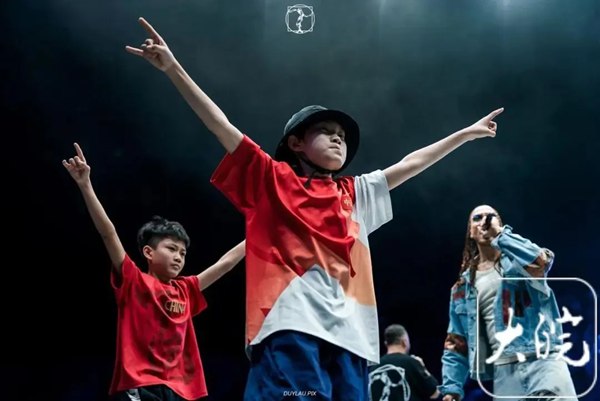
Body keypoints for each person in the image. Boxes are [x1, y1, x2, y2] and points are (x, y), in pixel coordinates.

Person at [125, 17, 503, 401]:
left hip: (352, 338)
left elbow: (410, 163)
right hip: (289, 327)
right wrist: (173, 68)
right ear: (296, 143)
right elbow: (219, 125)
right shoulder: (272, 181)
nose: (338, 141)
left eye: (342, 137)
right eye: (327, 133)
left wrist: (465, 134)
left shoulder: (355, 193)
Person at [62, 142, 245, 401]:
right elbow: (108, 233)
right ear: (148, 252)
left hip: (179, 391)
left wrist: (259, 229)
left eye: (183, 253)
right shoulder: (134, 281)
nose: (179, 257)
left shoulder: (185, 289)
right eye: (171, 249)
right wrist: (85, 185)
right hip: (141, 384)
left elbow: (225, 263)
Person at [439, 205, 579, 401]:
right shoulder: (462, 288)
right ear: (470, 232)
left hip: (544, 361)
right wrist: (452, 389)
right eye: (477, 218)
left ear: (500, 224)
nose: (484, 221)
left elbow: (542, 261)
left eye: (491, 216)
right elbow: (456, 343)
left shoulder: (519, 263)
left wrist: (501, 236)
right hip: (504, 373)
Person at [369, 324, 440, 401]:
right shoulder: (412, 363)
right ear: (404, 342)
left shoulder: (373, 367)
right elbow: (435, 393)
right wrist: (423, 368)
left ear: (386, 343)